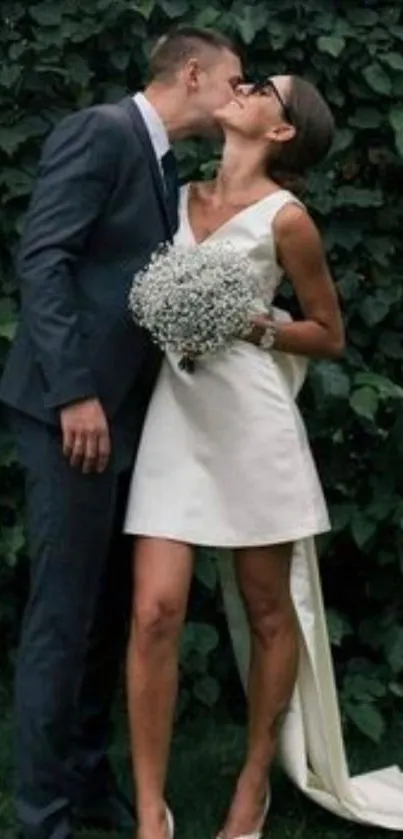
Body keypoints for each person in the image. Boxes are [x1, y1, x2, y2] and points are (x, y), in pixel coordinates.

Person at [0, 27, 243, 839]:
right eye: (234, 82)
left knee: (104, 615)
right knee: (63, 617)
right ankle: (41, 816)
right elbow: (43, 259)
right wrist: (74, 393)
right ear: (194, 72)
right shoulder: (101, 132)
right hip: (71, 417)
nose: (238, 98)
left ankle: (86, 779)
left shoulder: (162, 162)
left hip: (125, 423)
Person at [123, 74, 345, 839]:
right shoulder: (173, 194)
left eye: (260, 90)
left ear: (280, 131)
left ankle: (253, 780)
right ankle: (152, 808)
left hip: (250, 422)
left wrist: (253, 325)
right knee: (154, 611)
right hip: (176, 415)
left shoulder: (289, 221)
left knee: (264, 608)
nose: (241, 87)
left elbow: (327, 332)